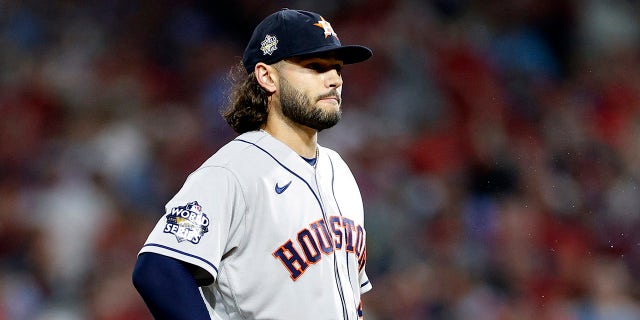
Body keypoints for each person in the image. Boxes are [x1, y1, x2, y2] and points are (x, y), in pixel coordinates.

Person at [132, 8, 373, 319]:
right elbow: (157, 269)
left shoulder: (339, 171)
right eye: (315, 66)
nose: (334, 80)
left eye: (337, 68)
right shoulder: (232, 171)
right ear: (267, 76)